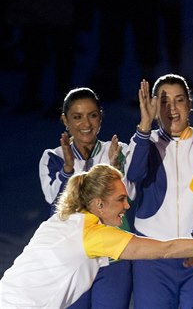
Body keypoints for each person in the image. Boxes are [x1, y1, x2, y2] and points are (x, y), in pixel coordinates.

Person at [0, 164, 193, 309]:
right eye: (120, 199)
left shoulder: (62, 221)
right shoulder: (92, 234)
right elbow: (165, 249)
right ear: (98, 205)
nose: (127, 206)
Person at [125, 74, 193, 308]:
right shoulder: (145, 142)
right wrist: (144, 126)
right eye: (163, 101)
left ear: (190, 105)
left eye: (179, 100)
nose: (171, 108)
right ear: (153, 107)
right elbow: (132, 177)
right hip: (153, 257)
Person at [38, 87, 133, 308]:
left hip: (112, 259)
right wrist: (68, 171)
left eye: (92, 115)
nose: (86, 124)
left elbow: (130, 196)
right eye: (77, 117)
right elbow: (55, 207)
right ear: (65, 120)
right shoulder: (53, 157)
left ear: (101, 116)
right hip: (72, 261)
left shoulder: (119, 151)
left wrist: (116, 168)